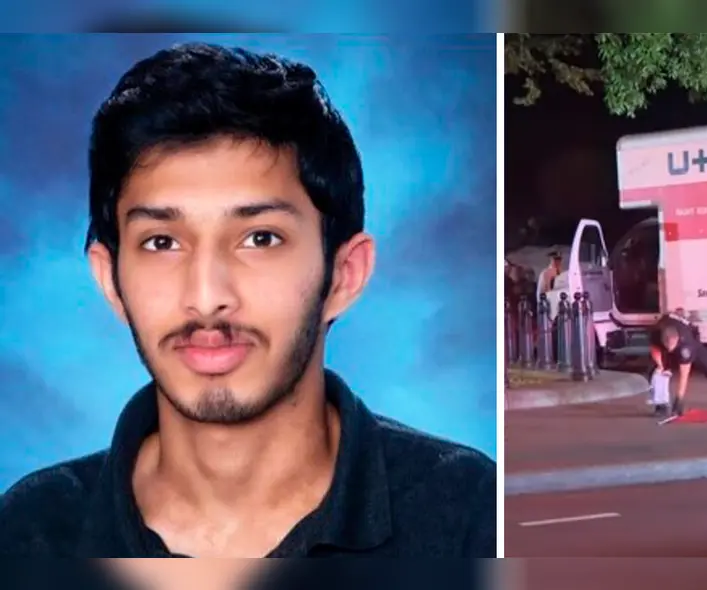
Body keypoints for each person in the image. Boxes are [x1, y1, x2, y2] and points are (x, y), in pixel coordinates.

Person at [0, 43, 495, 557]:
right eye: (162, 242)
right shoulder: (32, 530)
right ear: (111, 281)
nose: (207, 297)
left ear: (344, 275)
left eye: (260, 238)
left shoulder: (468, 516)